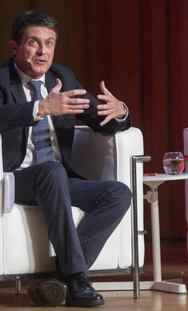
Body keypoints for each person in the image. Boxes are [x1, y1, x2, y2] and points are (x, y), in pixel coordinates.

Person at [0, 10, 132, 307]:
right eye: (33, 42)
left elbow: (100, 118)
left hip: (58, 179)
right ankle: (76, 279)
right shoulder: (1, 81)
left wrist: (120, 111)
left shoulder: (62, 76)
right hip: (16, 178)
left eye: (49, 43)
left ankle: (58, 280)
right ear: (14, 47)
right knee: (52, 171)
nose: (43, 51)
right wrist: (41, 108)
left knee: (118, 193)